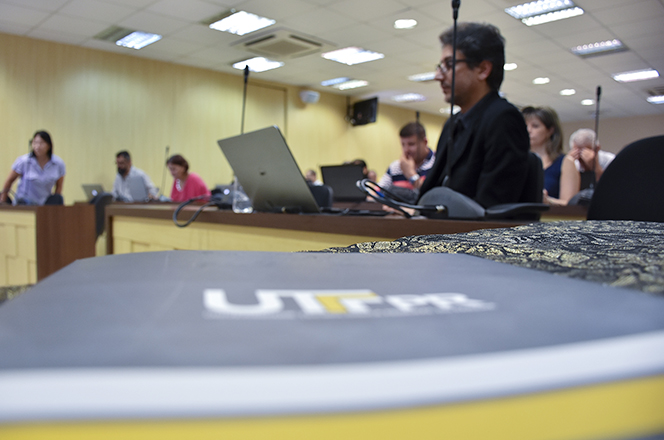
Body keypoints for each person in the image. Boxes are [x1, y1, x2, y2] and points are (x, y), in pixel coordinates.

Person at [418, 22, 530, 209]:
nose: (438, 76)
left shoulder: (504, 119)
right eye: (440, 66)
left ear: (483, 69)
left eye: (449, 65)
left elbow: (491, 209)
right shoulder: (452, 123)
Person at [521, 106, 574, 205]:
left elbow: (570, 204)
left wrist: (547, 200)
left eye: (535, 126)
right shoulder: (517, 161)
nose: (528, 130)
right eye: (525, 126)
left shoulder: (566, 162)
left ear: (550, 130)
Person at [1, 130, 65, 205]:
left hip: (44, 204)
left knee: (58, 198)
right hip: (24, 203)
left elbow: (59, 187)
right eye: (35, 143)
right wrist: (3, 201)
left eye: (41, 143)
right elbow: (9, 181)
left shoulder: (58, 164)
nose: (37, 146)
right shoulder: (24, 161)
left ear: (49, 145)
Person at [378, 122, 435, 191]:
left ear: (425, 142)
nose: (406, 150)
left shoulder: (437, 163)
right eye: (403, 144)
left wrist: (411, 175)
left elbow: (433, 195)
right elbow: (377, 192)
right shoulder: (395, 167)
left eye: (411, 144)